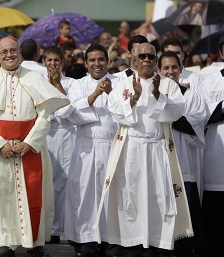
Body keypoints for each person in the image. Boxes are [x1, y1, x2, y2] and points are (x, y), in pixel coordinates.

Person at [0, 36, 69, 257]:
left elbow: (45, 116)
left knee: (33, 194)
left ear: (20, 53)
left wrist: (30, 142)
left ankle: (35, 242)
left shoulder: (35, 78)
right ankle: (6, 243)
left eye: (13, 50)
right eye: (4, 52)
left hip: (29, 147)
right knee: (2, 196)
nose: (9, 55)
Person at [96, 43, 191, 257]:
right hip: (132, 149)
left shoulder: (167, 85)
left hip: (157, 149)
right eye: (142, 56)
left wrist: (158, 94)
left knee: (159, 195)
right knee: (130, 195)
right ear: (134, 60)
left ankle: (158, 242)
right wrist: (135, 98)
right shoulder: (122, 84)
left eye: (151, 56)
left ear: (155, 59)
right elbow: (115, 112)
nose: (147, 60)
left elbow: (176, 112)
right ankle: (133, 242)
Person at [64, 44, 121, 257]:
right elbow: (71, 114)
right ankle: (86, 239)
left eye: (101, 60)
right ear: (86, 63)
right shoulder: (79, 85)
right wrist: (96, 93)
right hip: (86, 147)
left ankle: (111, 240)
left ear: (108, 61)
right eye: (92, 60)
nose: (97, 64)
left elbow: (127, 112)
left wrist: (111, 93)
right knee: (85, 194)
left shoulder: (119, 83)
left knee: (111, 195)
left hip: (112, 146)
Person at [157, 51, 208, 257]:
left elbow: (195, 123)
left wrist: (170, 112)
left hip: (183, 161)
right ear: (158, 71)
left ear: (181, 69)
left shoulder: (192, 95)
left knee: (186, 210)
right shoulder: (153, 95)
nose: (170, 72)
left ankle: (184, 248)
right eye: (166, 68)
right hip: (158, 160)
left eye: (174, 67)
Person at [40, 45, 81, 245]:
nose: (53, 64)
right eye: (49, 61)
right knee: (47, 181)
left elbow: (70, 108)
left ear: (62, 62)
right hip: (46, 135)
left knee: (64, 182)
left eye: (56, 60)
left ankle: (63, 227)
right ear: (43, 62)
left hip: (67, 135)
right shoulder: (38, 82)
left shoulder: (71, 83)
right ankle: (48, 227)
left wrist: (58, 86)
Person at [199, 34, 224, 257]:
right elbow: (203, 115)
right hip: (216, 147)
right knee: (216, 205)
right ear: (222, 53)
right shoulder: (209, 81)